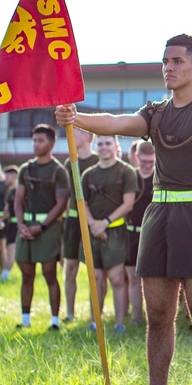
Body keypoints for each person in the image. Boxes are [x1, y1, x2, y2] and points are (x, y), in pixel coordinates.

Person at [56, 34, 192, 385]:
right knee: (158, 315)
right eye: (165, 61)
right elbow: (116, 123)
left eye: (178, 61)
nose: (169, 67)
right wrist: (76, 117)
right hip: (158, 216)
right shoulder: (156, 112)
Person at [80, 134, 138, 333]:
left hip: (115, 232)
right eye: (101, 143)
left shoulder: (126, 171)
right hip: (93, 231)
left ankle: (119, 323)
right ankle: (95, 321)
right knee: (95, 279)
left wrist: (105, 223)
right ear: (96, 146)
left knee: (116, 279)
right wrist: (94, 226)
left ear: (115, 145)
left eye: (108, 143)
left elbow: (128, 203)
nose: (104, 147)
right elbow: (83, 204)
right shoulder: (88, 174)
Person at [15, 125, 69, 330]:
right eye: (34, 140)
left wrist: (43, 226)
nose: (36, 144)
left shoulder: (58, 171)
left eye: (40, 140)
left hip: (48, 228)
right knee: (27, 275)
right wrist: (21, 225)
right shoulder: (25, 169)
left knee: (49, 274)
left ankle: (54, 321)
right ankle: (25, 320)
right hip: (26, 227)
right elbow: (18, 199)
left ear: (51, 144)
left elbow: (61, 203)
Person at [63, 127, 98, 322]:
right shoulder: (70, 162)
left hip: (92, 222)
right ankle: (69, 313)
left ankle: (94, 317)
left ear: (87, 136)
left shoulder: (97, 162)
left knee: (94, 271)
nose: (70, 136)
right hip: (72, 221)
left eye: (74, 133)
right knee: (70, 268)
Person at [125, 142, 154, 323]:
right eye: (144, 162)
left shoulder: (160, 178)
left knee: (152, 281)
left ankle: (153, 317)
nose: (148, 166)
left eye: (152, 162)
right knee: (133, 278)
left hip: (153, 234)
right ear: (137, 157)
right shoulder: (130, 177)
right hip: (131, 233)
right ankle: (136, 317)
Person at [0, 165, 19, 281]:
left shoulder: (20, 190)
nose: (5, 178)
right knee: (10, 250)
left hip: (18, 225)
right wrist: (0, 220)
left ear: (15, 176)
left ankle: (4, 276)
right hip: (11, 224)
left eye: (7, 176)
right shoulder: (10, 191)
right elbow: (7, 209)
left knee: (11, 250)